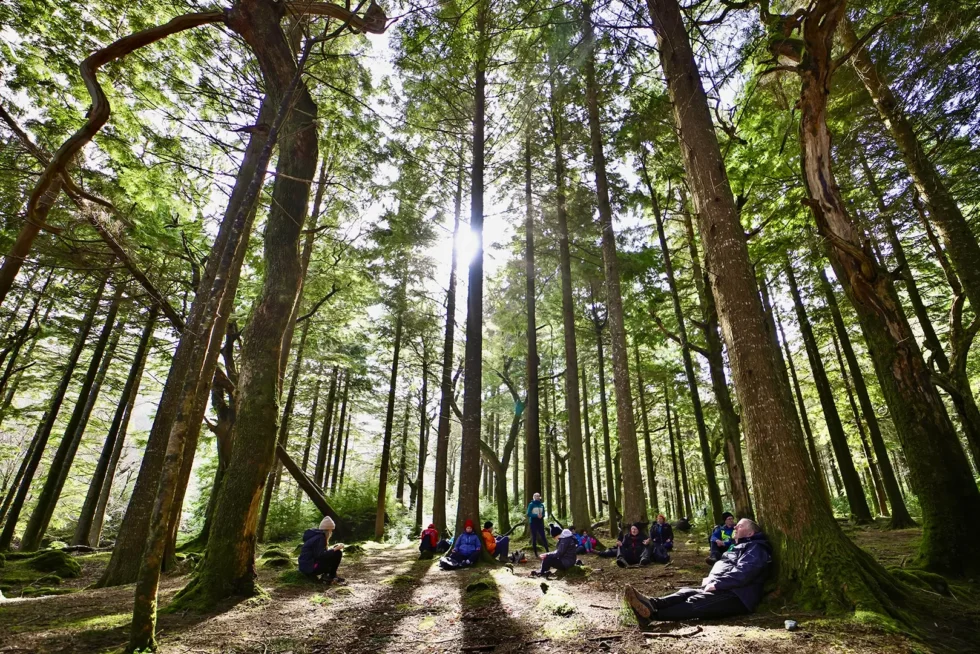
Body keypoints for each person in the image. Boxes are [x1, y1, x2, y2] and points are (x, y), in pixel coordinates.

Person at [624, 518, 771, 623]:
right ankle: (651, 603)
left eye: (740, 526)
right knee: (686, 592)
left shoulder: (756, 548)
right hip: (725, 587)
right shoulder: (740, 546)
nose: (735, 528)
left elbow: (744, 572)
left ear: (750, 533)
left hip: (738, 595)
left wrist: (718, 583)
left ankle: (650, 616)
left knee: (696, 602)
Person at [298, 516, 345, 583]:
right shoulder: (320, 538)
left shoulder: (316, 536)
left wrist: (332, 549)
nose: (331, 532)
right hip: (310, 568)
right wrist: (335, 549)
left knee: (334, 553)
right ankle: (330, 576)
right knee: (337, 553)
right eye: (331, 530)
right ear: (328, 530)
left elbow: (318, 552)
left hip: (306, 567)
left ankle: (330, 576)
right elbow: (320, 555)